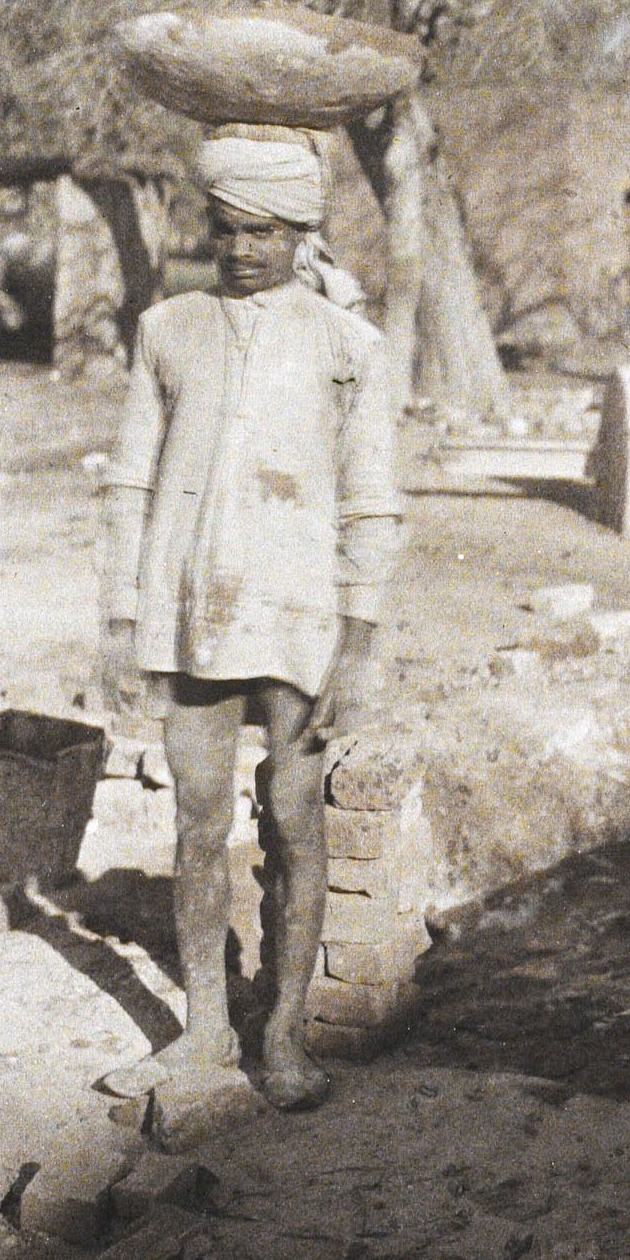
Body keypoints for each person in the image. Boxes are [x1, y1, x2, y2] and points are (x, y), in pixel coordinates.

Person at [99, 124, 400, 1110]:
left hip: (299, 614)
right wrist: (120, 617)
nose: (242, 249)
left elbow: (371, 499)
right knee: (194, 819)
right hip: (192, 610)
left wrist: (358, 639)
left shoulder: (348, 344)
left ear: (302, 234)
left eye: (264, 231)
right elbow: (132, 480)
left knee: (292, 816)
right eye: (227, 228)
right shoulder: (167, 328)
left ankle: (282, 1035)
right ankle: (203, 1030)